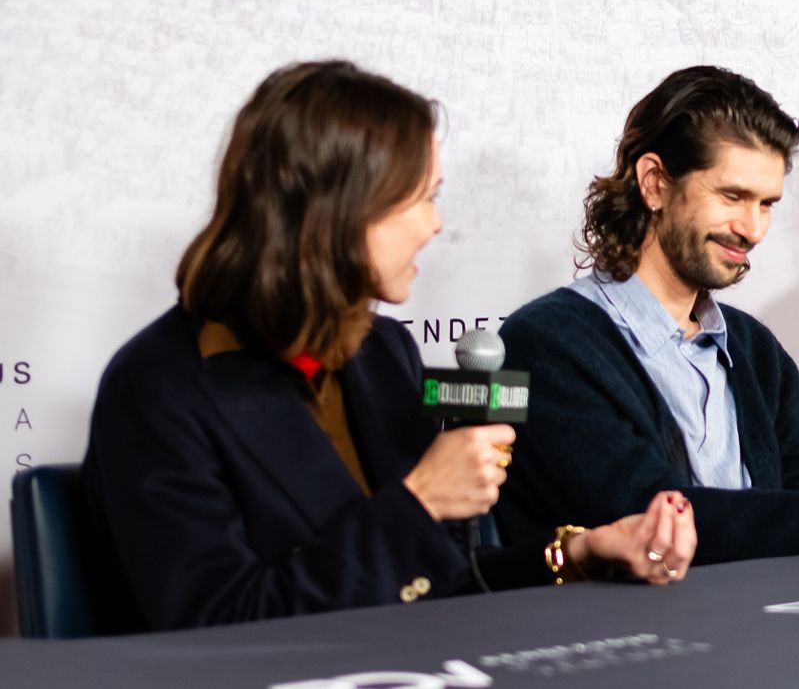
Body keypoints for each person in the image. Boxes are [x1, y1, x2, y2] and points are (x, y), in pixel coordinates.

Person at [81, 60, 695, 632]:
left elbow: (439, 584)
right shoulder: (157, 386)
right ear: (339, 210)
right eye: (422, 197)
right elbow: (216, 629)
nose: (435, 224)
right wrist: (421, 499)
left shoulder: (378, 351)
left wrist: (579, 552)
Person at [494, 66, 799, 565]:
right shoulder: (546, 344)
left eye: (767, 204)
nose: (752, 228)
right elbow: (652, 522)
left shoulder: (751, 345)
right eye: (731, 196)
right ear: (654, 184)